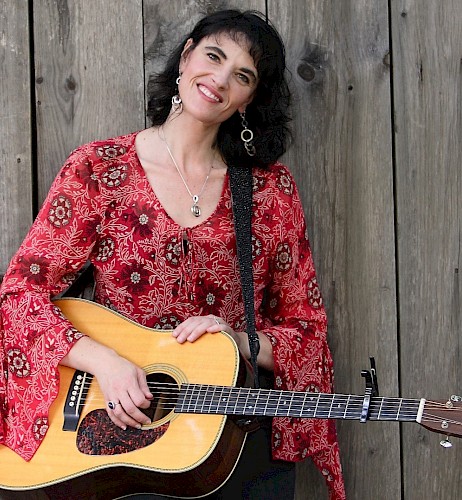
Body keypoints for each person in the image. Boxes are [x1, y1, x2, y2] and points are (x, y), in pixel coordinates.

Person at [0, 9, 345, 500]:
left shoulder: (270, 193)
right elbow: (20, 293)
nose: (220, 79)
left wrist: (239, 338)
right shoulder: (100, 169)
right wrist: (105, 363)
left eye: (242, 76)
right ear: (186, 56)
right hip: (118, 442)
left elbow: (306, 334)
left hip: (233, 444)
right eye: (213, 56)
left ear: (249, 99)